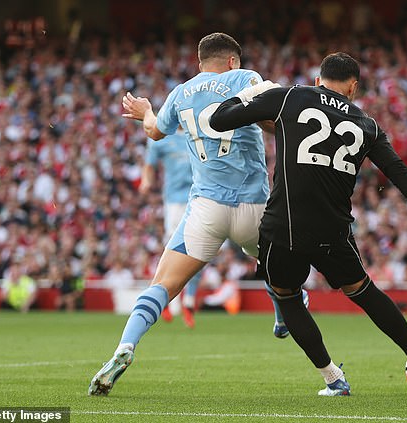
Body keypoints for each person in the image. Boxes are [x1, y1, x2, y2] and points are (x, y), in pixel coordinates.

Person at [210, 52, 407, 396]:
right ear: (353, 88)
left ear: (318, 80)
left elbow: (219, 120)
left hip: (283, 224)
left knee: (287, 297)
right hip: (333, 229)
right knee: (363, 291)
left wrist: (250, 94)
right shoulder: (367, 124)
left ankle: (333, 379)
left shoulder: (289, 96)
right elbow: (400, 174)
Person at [88, 32, 304, 396]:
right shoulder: (244, 78)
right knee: (277, 270)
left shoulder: (179, 93)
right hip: (253, 207)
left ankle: (124, 348)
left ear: (200, 62)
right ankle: (283, 316)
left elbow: (155, 132)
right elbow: (275, 110)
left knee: (161, 286)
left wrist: (145, 111)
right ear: (233, 61)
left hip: (207, 208)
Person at [140, 132, 202, 328]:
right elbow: (149, 164)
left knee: (201, 249)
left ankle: (189, 301)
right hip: (174, 202)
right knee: (174, 250)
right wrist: (146, 180)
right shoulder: (162, 136)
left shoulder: (197, 129)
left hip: (200, 197)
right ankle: (164, 296)